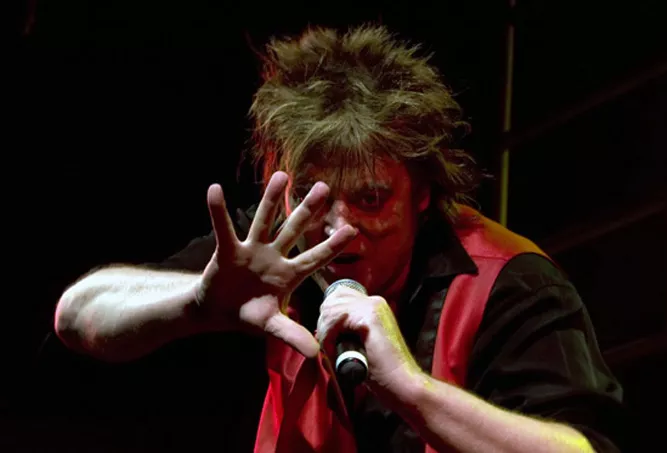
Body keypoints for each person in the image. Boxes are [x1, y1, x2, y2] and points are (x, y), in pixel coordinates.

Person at [53, 25, 626, 453]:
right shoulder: (269, 246)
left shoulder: (512, 280)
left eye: (371, 198)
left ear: (422, 192)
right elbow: (76, 316)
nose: (338, 227)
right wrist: (198, 300)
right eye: (316, 197)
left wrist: (411, 390)